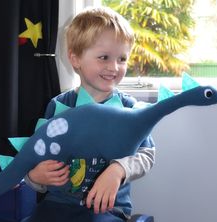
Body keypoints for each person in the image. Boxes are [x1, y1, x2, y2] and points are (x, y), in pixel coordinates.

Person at [24, 6, 155, 222]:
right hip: (57, 206)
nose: (114, 67)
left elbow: (147, 154)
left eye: (122, 59)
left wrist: (118, 169)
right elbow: (35, 154)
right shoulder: (57, 106)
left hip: (106, 209)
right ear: (75, 59)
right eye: (104, 57)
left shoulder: (129, 108)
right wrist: (34, 177)